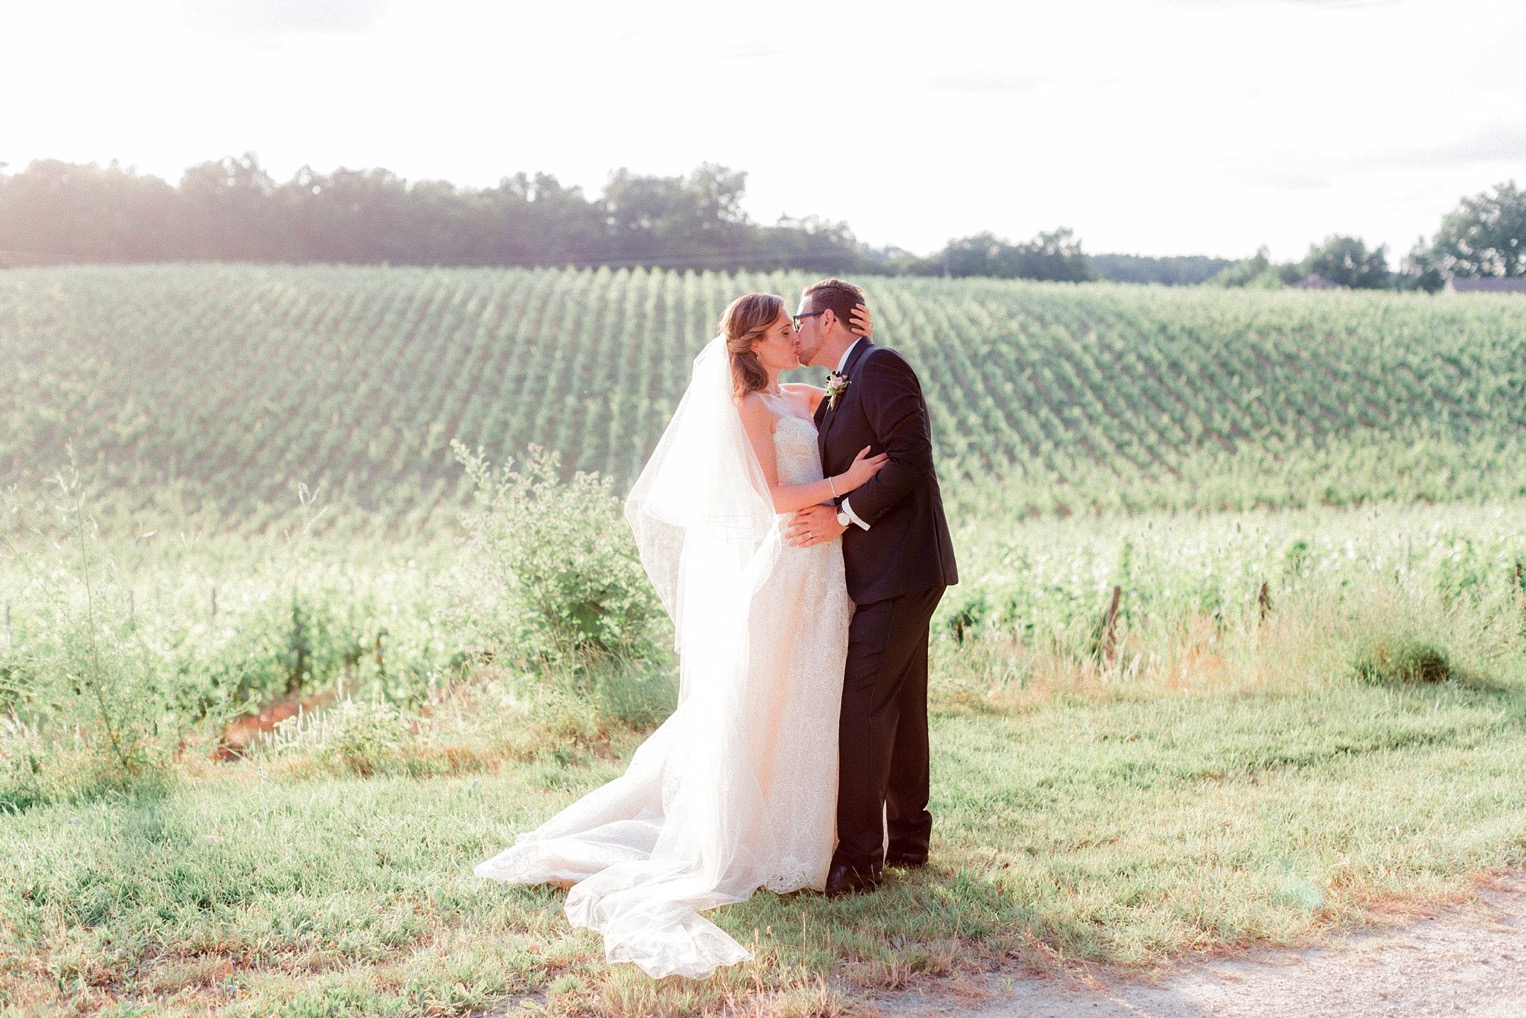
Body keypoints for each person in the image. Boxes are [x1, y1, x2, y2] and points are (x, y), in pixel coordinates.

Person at [475, 293, 880, 980]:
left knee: (812, 693)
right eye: (785, 331)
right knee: (767, 692)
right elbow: (768, 495)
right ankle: (758, 838)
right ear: (755, 345)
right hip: (787, 557)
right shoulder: (749, 409)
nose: (795, 338)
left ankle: (812, 835)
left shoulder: (803, 396)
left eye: (796, 328)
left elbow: (848, 387)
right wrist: (848, 484)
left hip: (822, 563)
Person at [786, 277, 958, 898]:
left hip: (901, 567)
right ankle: (909, 843)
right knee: (902, 707)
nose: (795, 330)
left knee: (861, 708)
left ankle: (860, 862)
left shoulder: (880, 367)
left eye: (800, 319)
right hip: (888, 570)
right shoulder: (845, 381)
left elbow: (911, 461)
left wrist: (842, 516)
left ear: (827, 319)